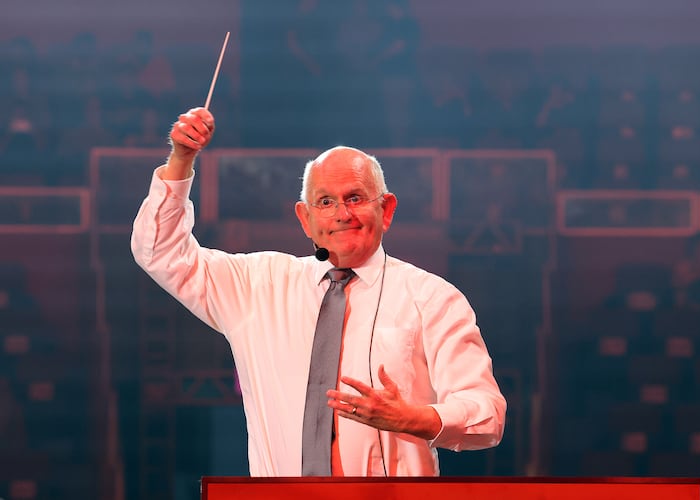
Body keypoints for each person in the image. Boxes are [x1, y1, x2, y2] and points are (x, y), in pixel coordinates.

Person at [130, 107, 506, 476]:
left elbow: (487, 414)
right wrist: (181, 160)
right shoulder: (258, 286)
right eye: (325, 202)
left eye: (356, 198)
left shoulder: (433, 299)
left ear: (386, 210)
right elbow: (159, 251)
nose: (342, 213)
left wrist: (414, 418)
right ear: (305, 219)